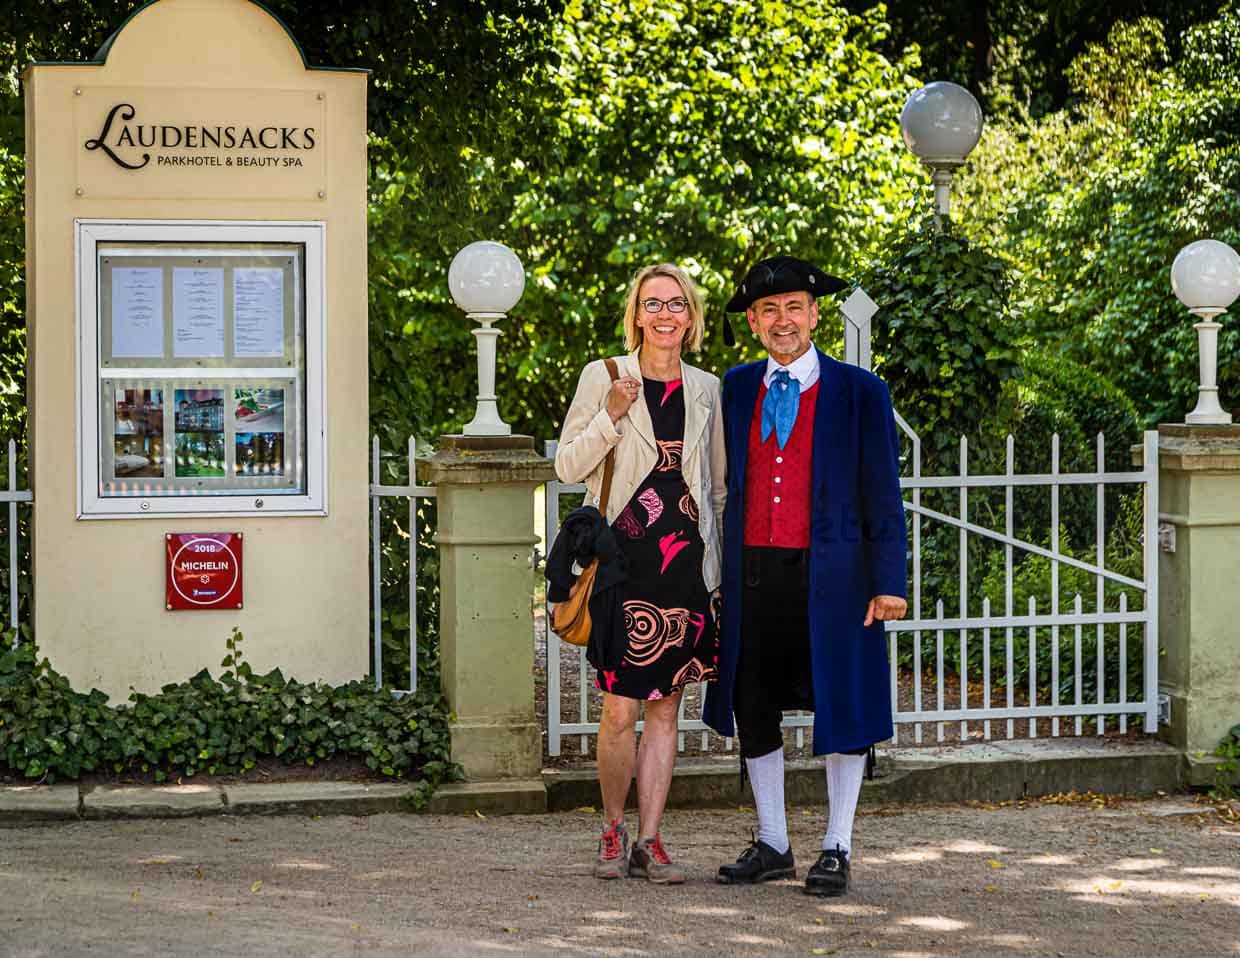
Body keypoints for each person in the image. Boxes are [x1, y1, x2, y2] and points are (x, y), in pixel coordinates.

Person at [702, 255, 908, 897]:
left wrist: (889, 580)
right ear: (755, 324)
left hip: (837, 575)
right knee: (753, 703)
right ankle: (773, 842)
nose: (782, 320)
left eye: (794, 307)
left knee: (841, 706)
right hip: (754, 572)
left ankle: (837, 846)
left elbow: (883, 491)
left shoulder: (859, 391)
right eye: (768, 311)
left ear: (814, 315)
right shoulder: (736, 387)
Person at [554, 263, 726, 884]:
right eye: (652, 304)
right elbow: (569, 465)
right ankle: (611, 828)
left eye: (676, 304)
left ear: (691, 317)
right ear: (636, 316)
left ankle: (650, 840)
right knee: (619, 710)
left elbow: (718, 490)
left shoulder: (707, 388)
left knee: (665, 710)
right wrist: (610, 414)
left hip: (684, 569)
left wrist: (719, 572)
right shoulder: (605, 376)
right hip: (624, 567)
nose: (664, 315)